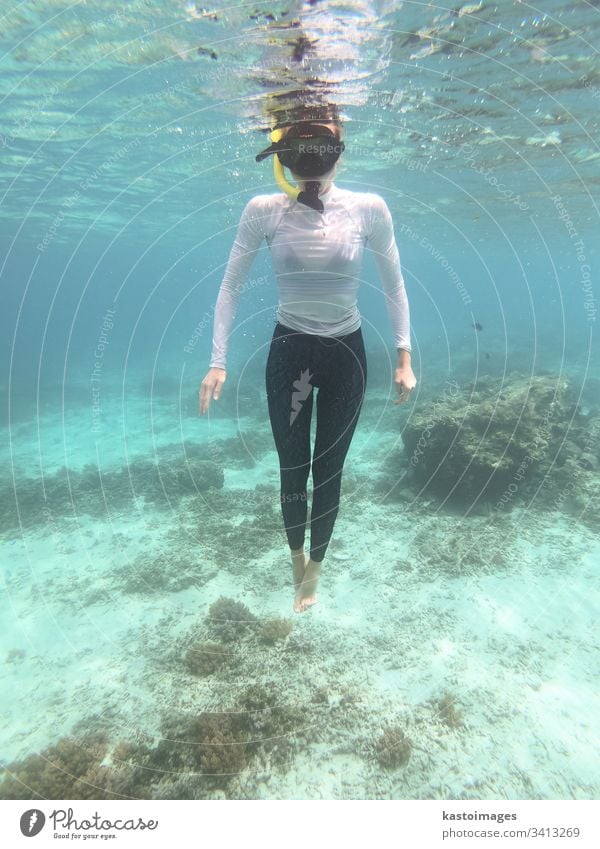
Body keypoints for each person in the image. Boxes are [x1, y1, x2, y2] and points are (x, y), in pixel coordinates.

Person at [199, 112, 416, 613]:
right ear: (284, 157)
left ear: (340, 149)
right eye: (301, 148)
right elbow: (230, 285)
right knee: (292, 465)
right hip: (290, 352)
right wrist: (218, 360)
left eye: (323, 144)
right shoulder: (264, 209)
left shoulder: (369, 208)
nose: (311, 162)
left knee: (330, 467)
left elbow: (394, 283)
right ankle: (296, 554)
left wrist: (404, 357)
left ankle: (315, 567)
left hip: (346, 353)